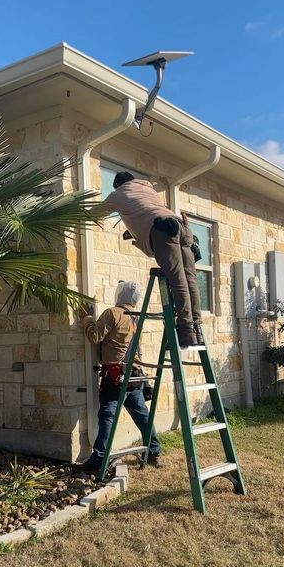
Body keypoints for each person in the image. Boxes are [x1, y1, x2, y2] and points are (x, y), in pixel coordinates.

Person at [101, 171, 203, 348]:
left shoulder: (118, 194)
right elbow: (147, 211)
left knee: (178, 280)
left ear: (117, 184)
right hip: (181, 227)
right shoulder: (147, 189)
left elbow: (95, 212)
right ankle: (197, 329)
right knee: (190, 280)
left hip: (163, 230)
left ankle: (186, 331)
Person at [74, 281, 162, 473]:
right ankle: (154, 451)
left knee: (107, 417)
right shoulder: (136, 317)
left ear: (120, 294)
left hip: (115, 377)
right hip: (135, 376)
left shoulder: (112, 313)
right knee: (142, 416)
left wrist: (87, 318)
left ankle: (98, 460)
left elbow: (95, 336)